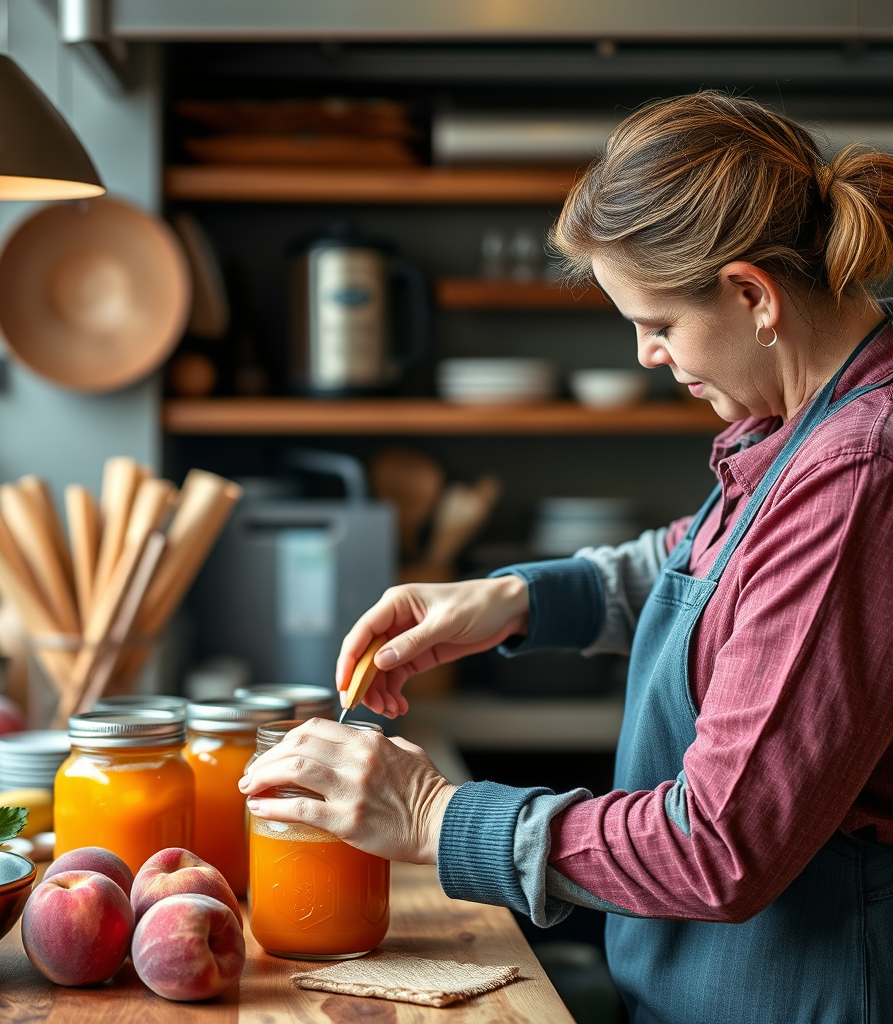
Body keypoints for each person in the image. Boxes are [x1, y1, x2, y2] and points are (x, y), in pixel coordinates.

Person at [239, 93, 893, 1023]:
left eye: (659, 324)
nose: (647, 355)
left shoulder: (859, 472)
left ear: (753, 296)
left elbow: (718, 847)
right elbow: (700, 563)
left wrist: (432, 815)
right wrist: (514, 599)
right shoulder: (797, 426)